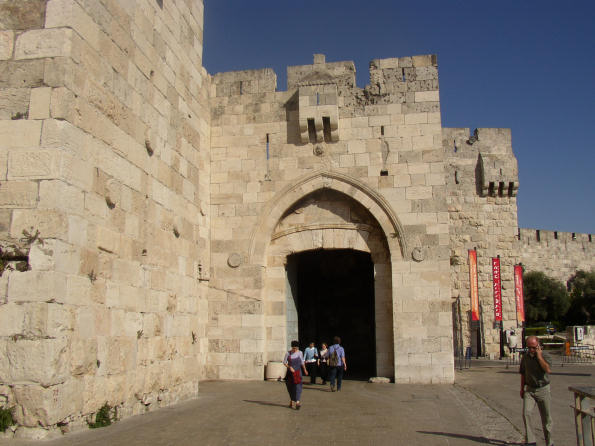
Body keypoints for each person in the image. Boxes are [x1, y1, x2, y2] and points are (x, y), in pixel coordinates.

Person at [519, 336, 554, 446]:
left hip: (543, 389)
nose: (531, 350)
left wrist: (539, 356)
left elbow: (548, 370)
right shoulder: (525, 358)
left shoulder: (545, 356)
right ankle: (531, 441)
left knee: (546, 418)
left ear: (538, 346)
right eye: (529, 347)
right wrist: (521, 388)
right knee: (526, 413)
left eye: (533, 347)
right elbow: (523, 373)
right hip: (530, 390)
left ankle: (550, 442)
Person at [283, 340, 308, 410]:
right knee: (290, 387)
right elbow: (284, 362)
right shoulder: (288, 353)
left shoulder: (300, 353)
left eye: (296, 348)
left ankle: (297, 402)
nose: (295, 350)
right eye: (294, 348)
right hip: (290, 373)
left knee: (298, 386)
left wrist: (305, 370)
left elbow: (302, 362)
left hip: (298, 372)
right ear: (291, 347)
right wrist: (289, 367)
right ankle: (292, 400)